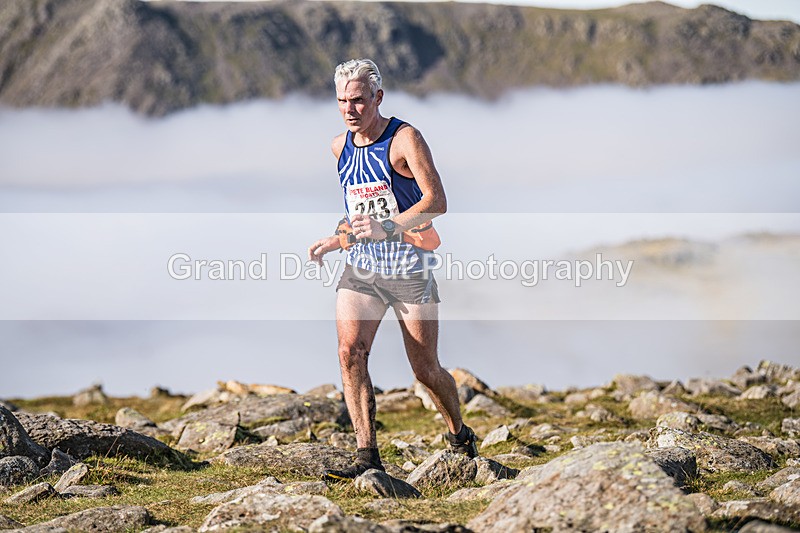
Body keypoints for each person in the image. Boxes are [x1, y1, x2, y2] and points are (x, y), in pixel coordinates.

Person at [307, 58, 479, 481]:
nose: (350, 109)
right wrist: (337, 239)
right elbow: (356, 211)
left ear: (377, 98)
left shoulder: (405, 139)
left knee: (425, 370)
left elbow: (436, 202)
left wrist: (388, 227)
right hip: (361, 270)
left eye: (359, 100)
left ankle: (459, 434)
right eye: (343, 101)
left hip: (409, 269)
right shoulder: (338, 146)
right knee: (350, 353)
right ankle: (367, 455)